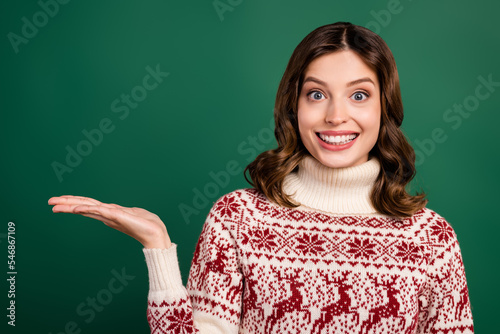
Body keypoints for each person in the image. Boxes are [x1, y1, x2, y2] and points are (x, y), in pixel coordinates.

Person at [48, 22, 474, 333]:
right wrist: (158, 246)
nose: (336, 115)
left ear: (385, 109)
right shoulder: (237, 217)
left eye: (359, 95)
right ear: (294, 106)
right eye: (316, 94)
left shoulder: (431, 240)